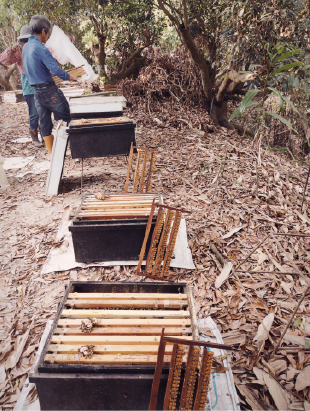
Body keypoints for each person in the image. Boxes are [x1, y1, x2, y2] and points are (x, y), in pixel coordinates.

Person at [22, 15, 78, 152]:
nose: (47, 37)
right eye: (47, 33)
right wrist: (71, 76)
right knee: (67, 116)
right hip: (49, 90)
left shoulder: (26, 47)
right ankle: (77, 148)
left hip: (36, 92)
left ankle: (53, 154)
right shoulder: (40, 48)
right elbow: (55, 70)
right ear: (42, 31)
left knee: (45, 122)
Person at [0, 26, 44, 147]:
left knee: (44, 112)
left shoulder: (38, 48)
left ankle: (45, 136)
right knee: (34, 112)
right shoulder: (18, 53)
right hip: (29, 86)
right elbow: (3, 60)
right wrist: (12, 50)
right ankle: (35, 137)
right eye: (24, 41)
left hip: (41, 83)